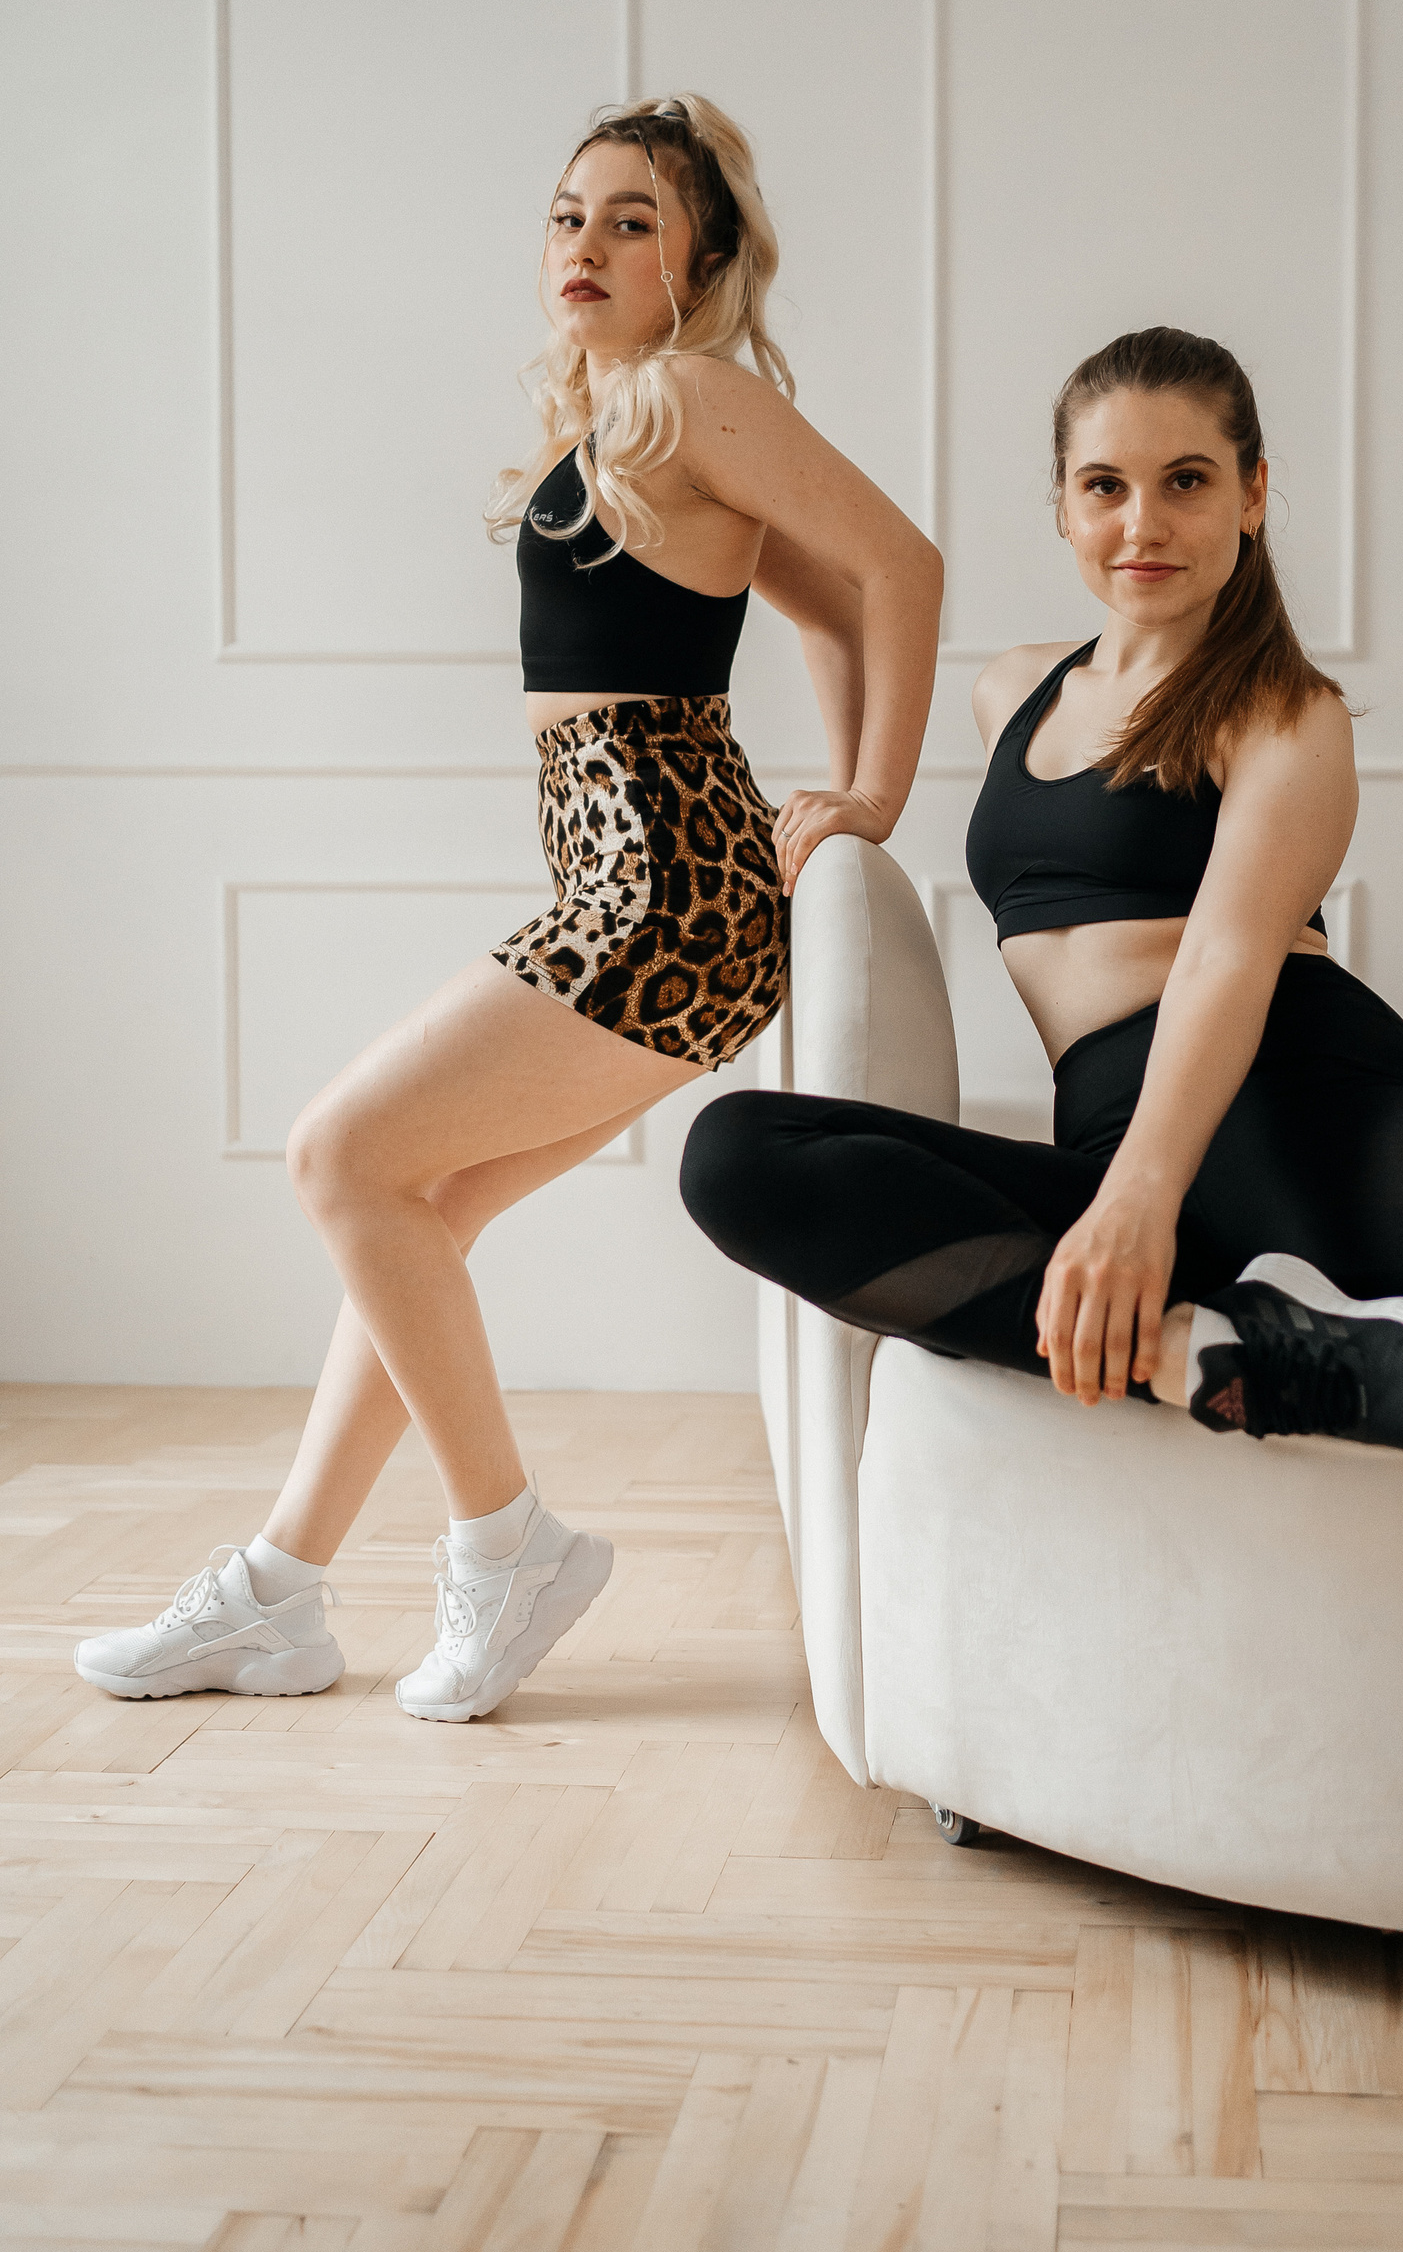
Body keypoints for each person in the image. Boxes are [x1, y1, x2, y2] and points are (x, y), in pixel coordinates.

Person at [679, 323, 1403, 2210]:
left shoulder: (1287, 714)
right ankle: (1227, 1348)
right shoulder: (1017, 690)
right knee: (739, 1157)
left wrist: (1131, 1201)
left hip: (1308, 1113)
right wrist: (852, 797)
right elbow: (839, 586)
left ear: (1256, 495)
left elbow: (1226, 970)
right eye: (1106, 484)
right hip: (1147, 1168)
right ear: (1058, 506)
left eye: (1189, 480)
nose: (1145, 523)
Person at [78, 93, 942, 1727]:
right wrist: (832, 783)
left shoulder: (694, 396)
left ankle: (506, 1548)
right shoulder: (618, 422)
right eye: (568, 215)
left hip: (663, 899)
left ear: (700, 262)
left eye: (632, 220)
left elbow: (898, 567)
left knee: (342, 1157)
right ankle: (280, 1592)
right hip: (629, 892)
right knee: (415, 1204)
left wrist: (868, 797)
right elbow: (826, 608)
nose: (587, 245)